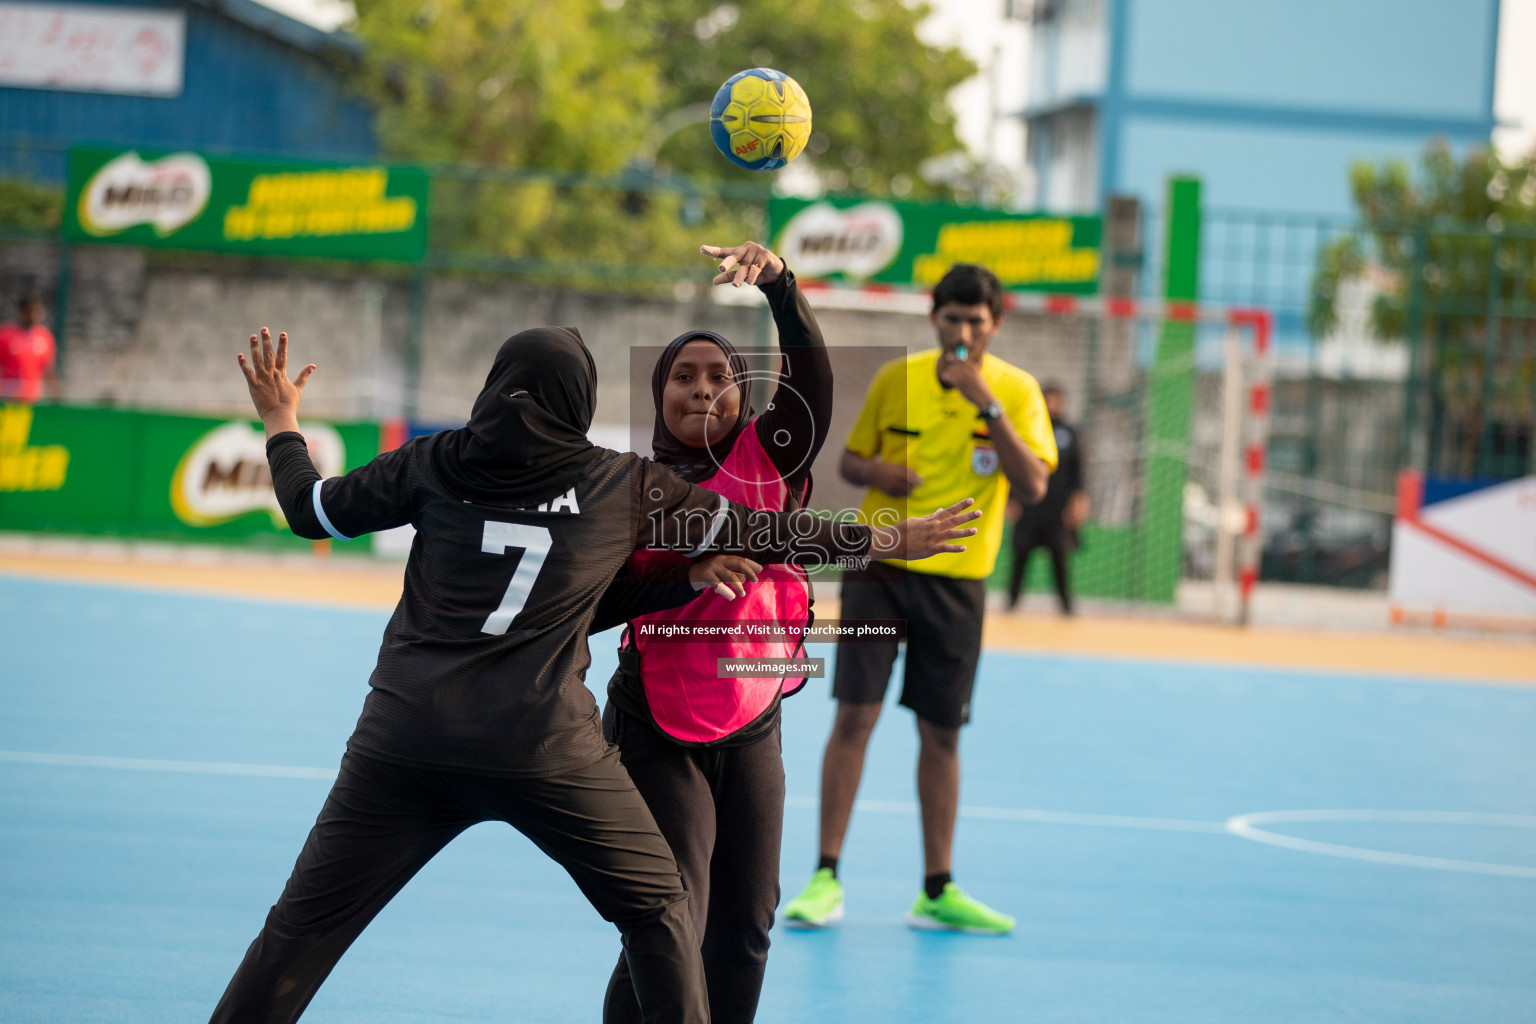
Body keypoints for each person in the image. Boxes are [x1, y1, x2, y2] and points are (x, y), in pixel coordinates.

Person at [212, 324, 980, 1024]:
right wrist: (889, 538)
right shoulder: (622, 484)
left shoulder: (433, 462)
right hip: (541, 746)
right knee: (660, 912)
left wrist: (281, 417)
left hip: (403, 742)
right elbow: (773, 530)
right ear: (582, 402)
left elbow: (309, 508)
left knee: (298, 933)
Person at [783, 263, 1057, 935]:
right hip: (880, 568)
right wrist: (878, 471)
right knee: (855, 715)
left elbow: (1034, 486)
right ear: (933, 318)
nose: (962, 331)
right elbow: (848, 463)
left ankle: (937, 888)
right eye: (951, 318)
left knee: (941, 731)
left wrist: (985, 404)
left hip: (959, 581)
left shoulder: (1017, 393)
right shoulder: (896, 380)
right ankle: (825, 877)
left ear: (995, 325)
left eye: (975, 321)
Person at [596, 241, 831, 1024]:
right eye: (683, 377)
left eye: (720, 376)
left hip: (751, 715)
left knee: (747, 925)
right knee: (673, 919)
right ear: (658, 393)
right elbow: (599, 601)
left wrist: (781, 289)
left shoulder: (773, 457)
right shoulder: (629, 485)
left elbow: (814, 387)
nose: (703, 390)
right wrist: (686, 577)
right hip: (655, 720)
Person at [1006, 384, 1088, 615]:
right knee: (1020, 555)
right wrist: (1011, 499)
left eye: (1056, 400)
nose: (1052, 404)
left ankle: (1066, 605)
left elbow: (1078, 471)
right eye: (1047, 399)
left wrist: (1078, 500)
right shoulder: (1026, 428)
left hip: (1057, 508)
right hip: (1029, 505)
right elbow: (1013, 466)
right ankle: (1011, 601)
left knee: (1060, 558)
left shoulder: (1070, 433)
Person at [0, 293, 59, 403]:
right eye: (31, 311)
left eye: (38, 311)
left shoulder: (45, 337)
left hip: (33, 398)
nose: (34, 315)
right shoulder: (6, 335)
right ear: (22, 311)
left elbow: (48, 369)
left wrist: (57, 395)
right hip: (8, 399)